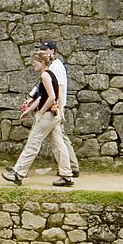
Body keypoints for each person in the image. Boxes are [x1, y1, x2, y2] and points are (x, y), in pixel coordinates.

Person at [2, 45, 74, 187]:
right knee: (59, 144)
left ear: (42, 62)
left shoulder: (45, 75)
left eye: (35, 62)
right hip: (54, 114)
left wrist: (40, 112)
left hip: (47, 116)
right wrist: (29, 110)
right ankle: (66, 175)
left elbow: (51, 97)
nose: (33, 64)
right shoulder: (51, 75)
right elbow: (43, 96)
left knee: (33, 143)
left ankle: (18, 173)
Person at [45, 39, 80, 178]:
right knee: (60, 138)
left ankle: (71, 167)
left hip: (54, 108)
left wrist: (59, 109)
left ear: (52, 51)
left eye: (45, 50)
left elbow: (58, 88)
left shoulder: (56, 67)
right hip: (55, 107)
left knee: (57, 139)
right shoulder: (54, 66)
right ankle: (71, 166)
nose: (43, 53)